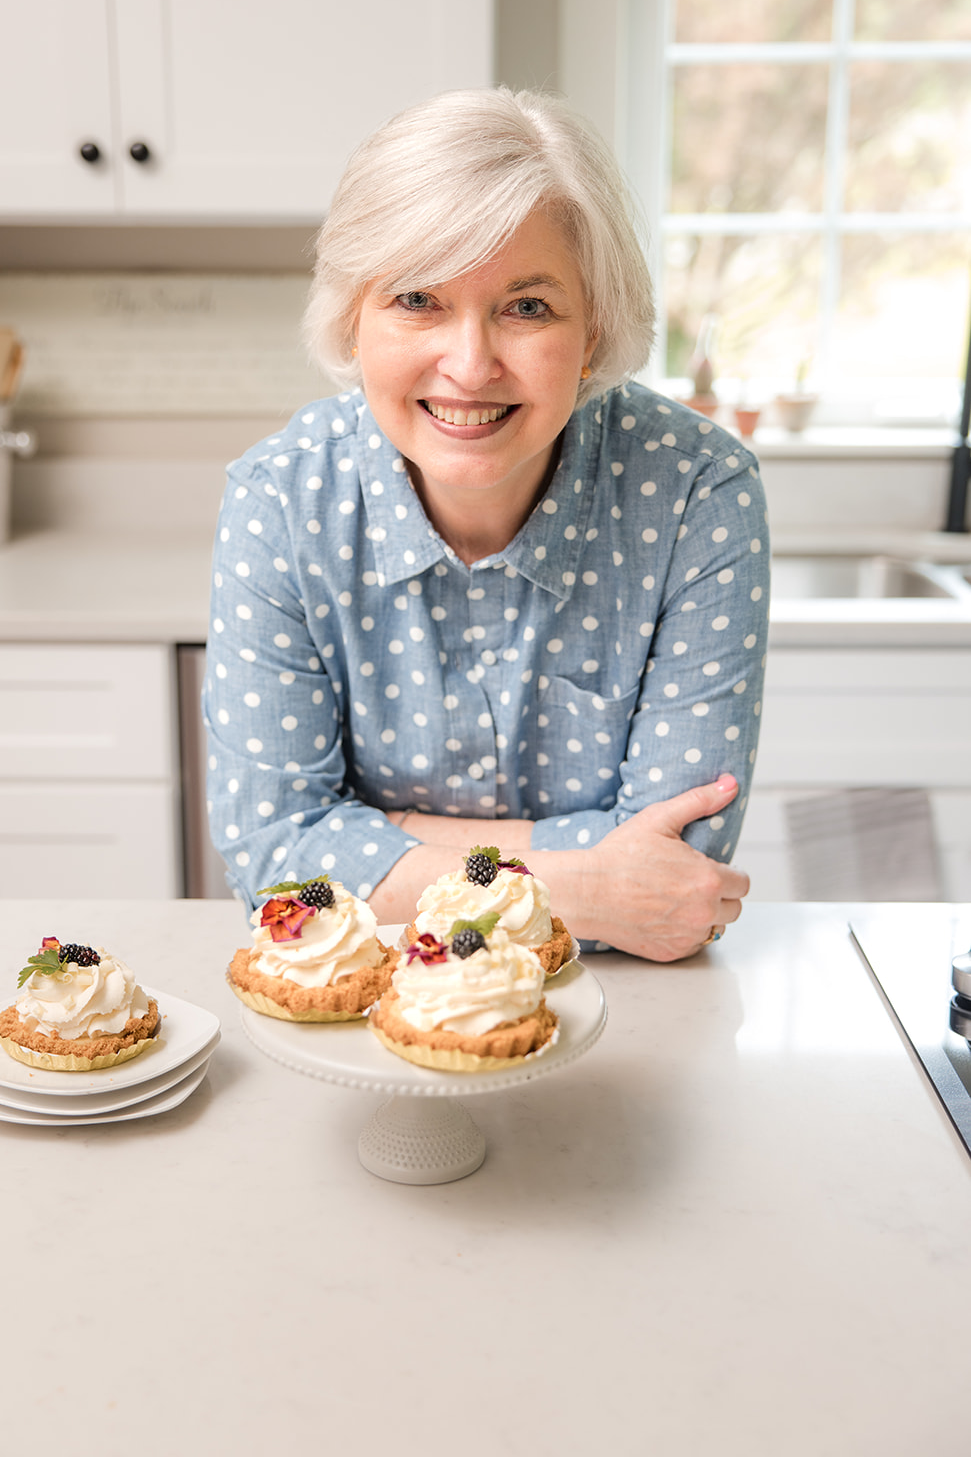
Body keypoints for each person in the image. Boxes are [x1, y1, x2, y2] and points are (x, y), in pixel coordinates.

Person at [204, 87, 767, 961]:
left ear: (593, 333)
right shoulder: (281, 499)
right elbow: (274, 861)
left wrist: (384, 840)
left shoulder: (696, 489)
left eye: (528, 307)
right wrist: (587, 885)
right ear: (354, 319)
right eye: (418, 299)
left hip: (624, 1017)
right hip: (365, 1010)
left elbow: (678, 869)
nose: (468, 366)